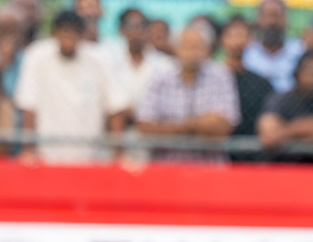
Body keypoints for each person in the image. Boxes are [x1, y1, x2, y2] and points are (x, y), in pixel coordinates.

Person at [14, 10, 129, 165]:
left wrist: (118, 153)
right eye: (64, 32)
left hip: (91, 158)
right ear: (54, 33)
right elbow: (29, 106)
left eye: (74, 33)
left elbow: (115, 107)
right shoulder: (37, 56)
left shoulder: (100, 59)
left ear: (82, 36)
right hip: (46, 157)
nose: (68, 38)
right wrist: (28, 149)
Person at [135, 23, 240, 163]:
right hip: (167, 169)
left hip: (209, 170)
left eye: (197, 46)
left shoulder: (221, 76)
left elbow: (224, 128)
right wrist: (195, 125)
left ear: (207, 50)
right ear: (176, 49)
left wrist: (167, 126)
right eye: (187, 46)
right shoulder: (160, 77)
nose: (192, 52)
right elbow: (145, 127)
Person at [218, 16, 275, 154]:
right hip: (216, 153)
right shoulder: (210, 81)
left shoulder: (262, 84)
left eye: (242, 35)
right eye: (232, 35)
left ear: (250, 40)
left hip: (250, 155)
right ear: (222, 40)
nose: (237, 41)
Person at [106, 8, 176, 117]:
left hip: (152, 126)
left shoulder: (165, 64)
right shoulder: (109, 58)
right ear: (121, 30)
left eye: (142, 25)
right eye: (131, 26)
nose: (137, 31)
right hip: (116, 127)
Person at [244, 0, 304, 92]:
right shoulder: (246, 52)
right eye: (268, 16)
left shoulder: (299, 51)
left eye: (276, 16)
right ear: (259, 19)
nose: (272, 22)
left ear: (286, 19)